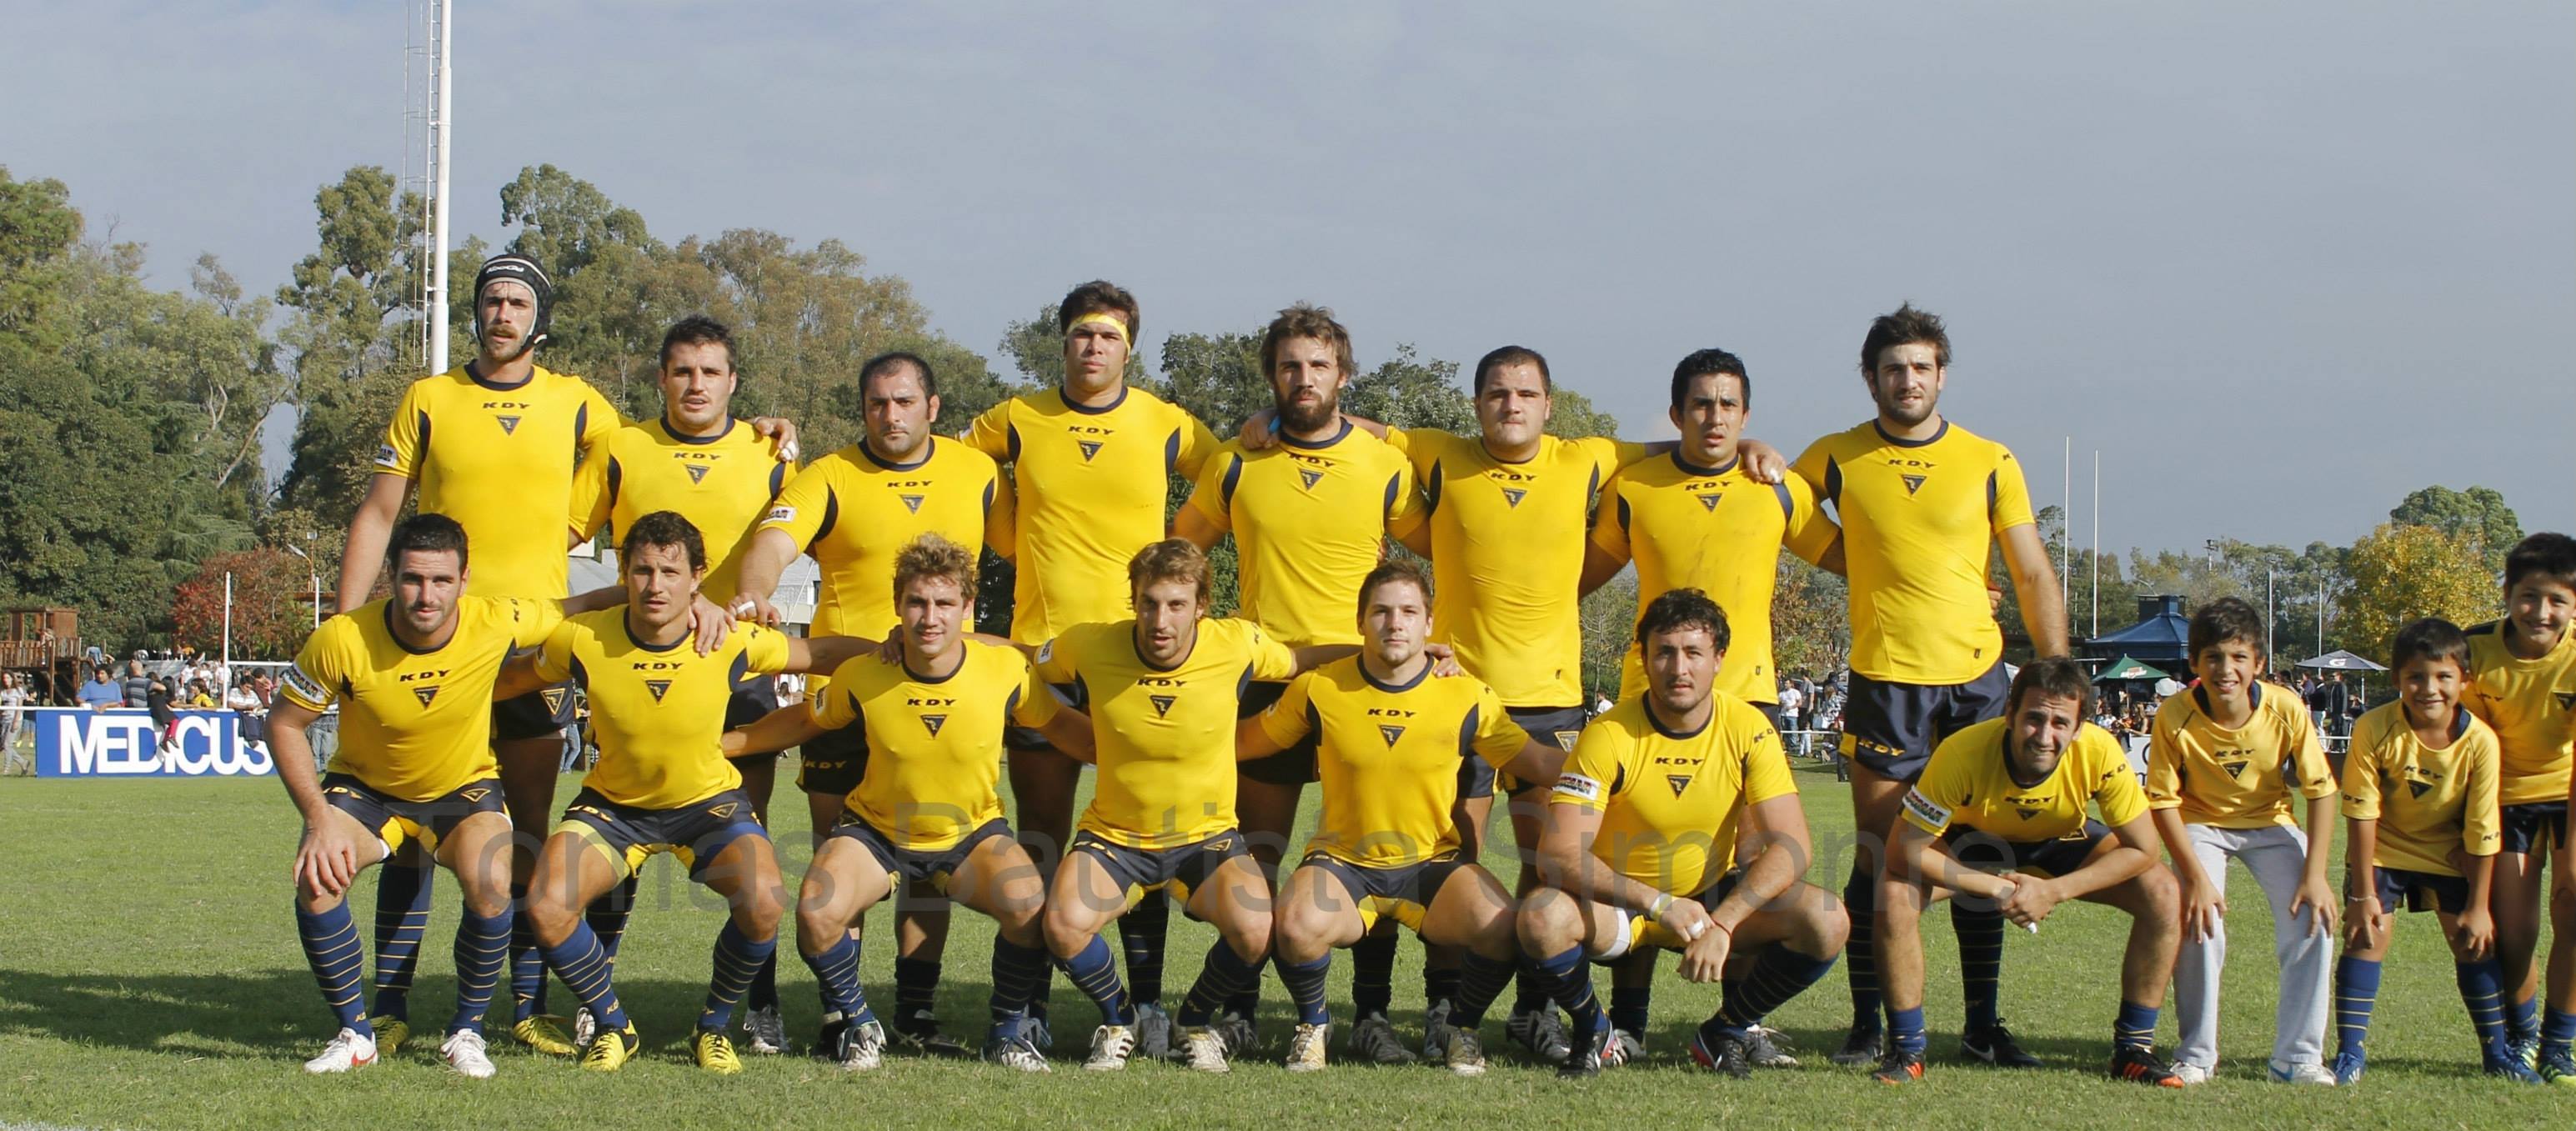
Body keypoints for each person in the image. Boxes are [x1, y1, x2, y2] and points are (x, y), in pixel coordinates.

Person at [338, 253, 796, 1056]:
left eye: (518, 301)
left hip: (541, 640)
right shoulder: (432, 400)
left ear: (539, 316)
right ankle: (391, 1001)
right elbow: (379, 514)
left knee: (528, 833)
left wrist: (772, 425)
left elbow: (692, 448)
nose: (503, 313)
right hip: (440, 638)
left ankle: (527, 1000)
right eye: (491, 301)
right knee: (411, 818)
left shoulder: (584, 408)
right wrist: (347, 632)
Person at [1789, 304, 2068, 1068]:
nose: (1906, 380)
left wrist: (2058, 672)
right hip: (1887, 685)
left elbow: (2032, 569)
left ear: (1941, 373)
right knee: (1882, 860)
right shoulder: (1837, 455)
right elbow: (1777, 508)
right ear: (1869, 378)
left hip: (1978, 683)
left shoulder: (1989, 459)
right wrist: (1856, 560)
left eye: (1920, 367)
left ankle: (1981, 1024)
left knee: (1979, 850)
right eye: (1891, 368)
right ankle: (1867, 1024)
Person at [498, 512, 862, 1073]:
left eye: (670, 570)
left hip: (708, 808)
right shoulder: (582, 638)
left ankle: (712, 1024)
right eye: (642, 569)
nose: (655, 584)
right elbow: (507, 681)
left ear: (697, 577)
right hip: (613, 807)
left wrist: (893, 650)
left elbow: (819, 655)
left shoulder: (725, 638)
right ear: (625, 572)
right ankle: (613, 1022)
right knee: (547, 905)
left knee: (765, 901)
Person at [734, 348, 1016, 1057]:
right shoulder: (829, 474)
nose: (889, 415)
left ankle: (916, 1014)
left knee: (931, 866)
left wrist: (992, 644)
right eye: (875, 403)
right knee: (844, 866)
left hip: (944, 690)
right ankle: (844, 1016)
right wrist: (757, 591)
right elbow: (773, 541)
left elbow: (1032, 550)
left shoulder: (978, 472)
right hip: (849, 697)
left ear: (933, 407)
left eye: (902, 401)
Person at [962, 283, 1215, 1056]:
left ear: (1128, 347)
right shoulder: (1014, 419)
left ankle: (1144, 1010)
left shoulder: (1170, 425)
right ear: (1061, 342)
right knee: (1038, 839)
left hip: (1135, 658)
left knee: (1141, 835)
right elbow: (939, 467)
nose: (1092, 347)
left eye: (1107, 336)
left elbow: (1243, 468)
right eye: (1079, 334)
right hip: (1041, 658)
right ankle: (1028, 1008)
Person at [728, 534, 1091, 1072]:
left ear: (967, 609)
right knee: (816, 911)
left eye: (944, 604)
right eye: (917, 602)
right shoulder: (864, 674)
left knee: (1031, 907)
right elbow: (800, 722)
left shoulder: (1005, 671)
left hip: (971, 834)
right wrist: (724, 745)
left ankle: (1009, 1031)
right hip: (876, 831)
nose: (929, 617)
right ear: (898, 606)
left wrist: (1140, 756)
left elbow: (1063, 727)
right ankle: (858, 1021)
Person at [1171, 303, 1426, 1062]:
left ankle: (1371, 1015)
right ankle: (1241, 1008)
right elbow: (1180, 552)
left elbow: (1453, 544)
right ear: (1271, 376)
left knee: (1376, 851)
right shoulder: (1237, 461)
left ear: (1344, 375)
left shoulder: (1385, 464)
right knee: (1258, 850)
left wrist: (1439, 645)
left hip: (1365, 682)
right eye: (1290, 366)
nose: (1304, 378)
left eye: (1318, 365)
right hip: (1267, 683)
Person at [1574, 347, 1838, 1062]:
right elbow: (1577, 577)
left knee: (1753, 861)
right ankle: (1627, 1018)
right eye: (1700, 403)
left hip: (1746, 699)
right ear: (1675, 414)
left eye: (1727, 405)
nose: (1714, 416)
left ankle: (1736, 1026)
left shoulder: (1777, 485)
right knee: (1636, 854)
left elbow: (1853, 556)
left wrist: (1965, 581)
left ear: (1746, 415)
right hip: (1648, 695)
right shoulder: (1635, 487)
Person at [266, 515, 580, 1078]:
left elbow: (579, 606)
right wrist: (317, 818)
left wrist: (690, 605)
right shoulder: (343, 637)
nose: (426, 595)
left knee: (492, 878)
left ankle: (468, 1030)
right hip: (366, 791)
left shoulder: (497, 619)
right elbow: (284, 724)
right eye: (412, 578)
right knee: (318, 879)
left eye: (440, 581)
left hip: (462, 791)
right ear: (391, 576)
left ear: (464, 579)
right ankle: (355, 1031)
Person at [563, 315, 800, 1053]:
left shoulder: (769, 452)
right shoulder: (621, 448)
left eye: (710, 372)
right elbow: (559, 534)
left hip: (735, 667)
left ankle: (752, 1007)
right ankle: (595, 994)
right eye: (682, 371)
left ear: (734, 381)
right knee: (623, 819)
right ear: (661, 378)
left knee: (746, 846)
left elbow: (806, 525)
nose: (696, 384)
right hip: (638, 669)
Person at [1240, 558, 1566, 1074]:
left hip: (1428, 865)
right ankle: (1313, 1027)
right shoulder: (1320, 689)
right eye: (1382, 612)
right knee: (1296, 924)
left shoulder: (1468, 695)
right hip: (1342, 863)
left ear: (1429, 623)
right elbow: (1244, 745)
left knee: (1504, 928)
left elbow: (1541, 763)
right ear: (1360, 621)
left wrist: (1624, 757)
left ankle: (1461, 1030)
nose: (1395, 624)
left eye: (1409, 612)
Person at [1032, 539, 1345, 1073]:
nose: (1161, 619)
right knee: (1062, 925)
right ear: (1132, 600)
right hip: (1114, 838)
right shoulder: (1085, 646)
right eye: (1149, 602)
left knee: (1256, 929)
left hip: (1207, 838)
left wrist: (1400, 653)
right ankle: (1121, 1018)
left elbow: (1299, 660)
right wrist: (945, 640)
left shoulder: (1238, 643)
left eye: (1177, 604)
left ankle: (1194, 1020)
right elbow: (1020, 661)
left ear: (1201, 606)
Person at [1517, 589, 1850, 1080]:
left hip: (1707, 902)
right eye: (1664, 652)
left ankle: (1726, 1031)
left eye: (1694, 652)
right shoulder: (1607, 735)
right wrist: (1657, 902)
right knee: (1541, 915)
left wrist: (1725, 922)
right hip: (1623, 907)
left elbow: (1793, 846)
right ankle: (1594, 1031)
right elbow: (1558, 856)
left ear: (1719, 659)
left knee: (1827, 920)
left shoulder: (1749, 728)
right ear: (1644, 658)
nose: (1679, 668)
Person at [1874, 657, 2183, 1086]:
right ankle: (1907, 1050)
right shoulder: (1962, 751)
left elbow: (2144, 848)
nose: (2044, 735)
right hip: (1974, 844)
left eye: (2060, 724)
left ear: (2078, 729)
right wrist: (1993, 887)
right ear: (2009, 715)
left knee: (2163, 892)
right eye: (2034, 718)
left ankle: (2133, 1050)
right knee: (1892, 895)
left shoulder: (2100, 750)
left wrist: (2054, 891)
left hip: (2058, 844)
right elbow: (1902, 848)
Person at [2330, 618, 2536, 1084]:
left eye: (2444, 677)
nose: (2430, 688)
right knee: (2366, 937)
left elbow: (2485, 829)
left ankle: (2497, 1053)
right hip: (2383, 852)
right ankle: (2349, 1055)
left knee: (2473, 944)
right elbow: (2361, 815)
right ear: (2397, 680)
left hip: (2448, 855)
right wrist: (2363, 898)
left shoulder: (2481, 741)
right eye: (2416, 677)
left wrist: (2480, 907)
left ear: (2465, 680)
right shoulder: (2373, 727)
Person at [2147, 598, 2340, 1085]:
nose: (2225, 669)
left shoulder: (2285, 707)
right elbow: (2163, 802)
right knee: (2198, 919)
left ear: (2258, 663)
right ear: (2194, 663)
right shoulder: (2174, 714)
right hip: (2201, 827)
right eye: (2212, 657)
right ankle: (2196, 1055)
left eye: (2237, 657)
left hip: (2271, 824)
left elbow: (2322, 792)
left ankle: (2296, 1059)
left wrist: (2316, 877)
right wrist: (2194, 877)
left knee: (2314, 919)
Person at [2463, 533, 2576, 1082]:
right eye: (2530, 596)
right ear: (2507, 592)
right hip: (2504, 801)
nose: (2542, 611)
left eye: (2558, 600)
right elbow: (2465, 749)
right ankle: (2524, 1033)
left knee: (2573, 909)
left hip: (2570, 793)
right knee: (2517, 930)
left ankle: (2561, 1041)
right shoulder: (2475, 651)